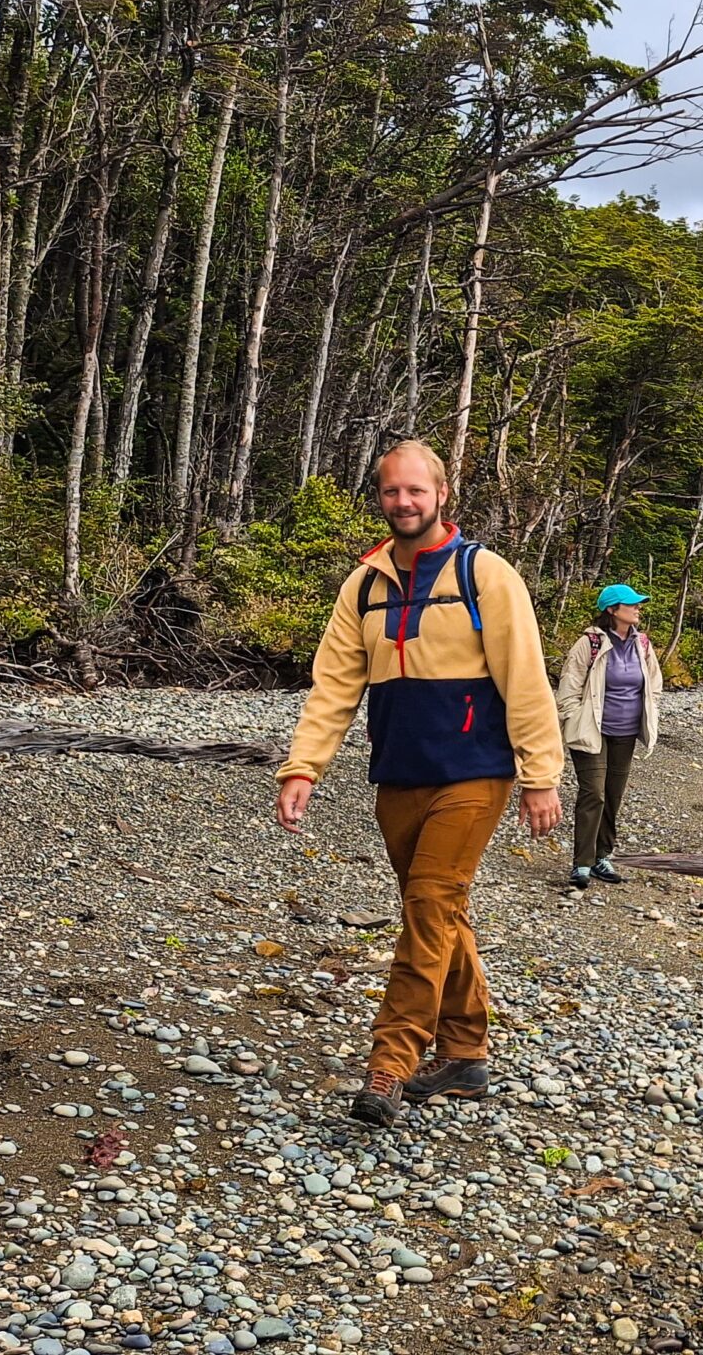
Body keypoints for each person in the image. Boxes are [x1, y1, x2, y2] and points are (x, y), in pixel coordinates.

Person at [273, 439, 564, 1127]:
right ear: (380, 496)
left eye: (416, 491)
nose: (403, 502)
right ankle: (465, 1051)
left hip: (474, 774)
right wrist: (303, 765)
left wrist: (540, 775)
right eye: (391, 491)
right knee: (442, 911)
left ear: (442, 494)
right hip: (398, 777)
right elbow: (334, 686)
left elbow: (526, 680)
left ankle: (392, 1061)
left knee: (429, 906)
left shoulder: (486, 575)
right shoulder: (365, 585)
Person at [555, 583, 663, 890]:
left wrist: (650, 710)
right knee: (594, 793)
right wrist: (575, 718)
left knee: (613, 796)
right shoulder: (589, 643)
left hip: (625, 733)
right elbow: (569, 687)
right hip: (592, 731)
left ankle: (603, 856)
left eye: (639, 604)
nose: (638, 608)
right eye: (632, 604)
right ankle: (582, 864)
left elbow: (654, 683)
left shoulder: (642, 643)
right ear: (612, 610)